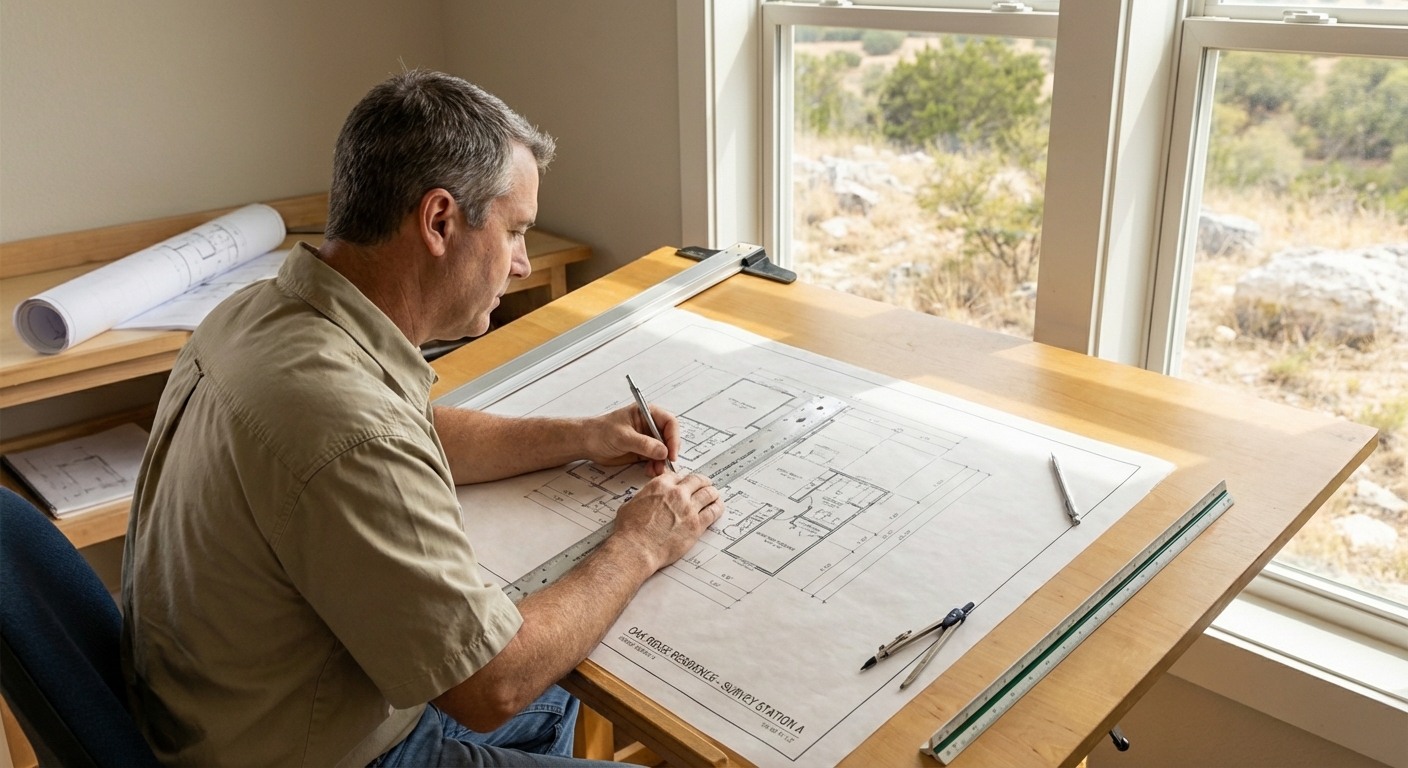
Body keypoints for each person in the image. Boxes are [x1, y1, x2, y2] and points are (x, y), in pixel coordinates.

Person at [120, 70, 725, 767]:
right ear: (440, 221)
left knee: (560, 684)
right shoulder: (345, 427)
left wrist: (581, 437)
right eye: (516, 231)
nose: (524, 264)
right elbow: (491, 685)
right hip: (320, 752)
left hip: (221, 708)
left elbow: (408, 429)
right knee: (542, 672)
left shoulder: (263, 313)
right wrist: (640, 544)